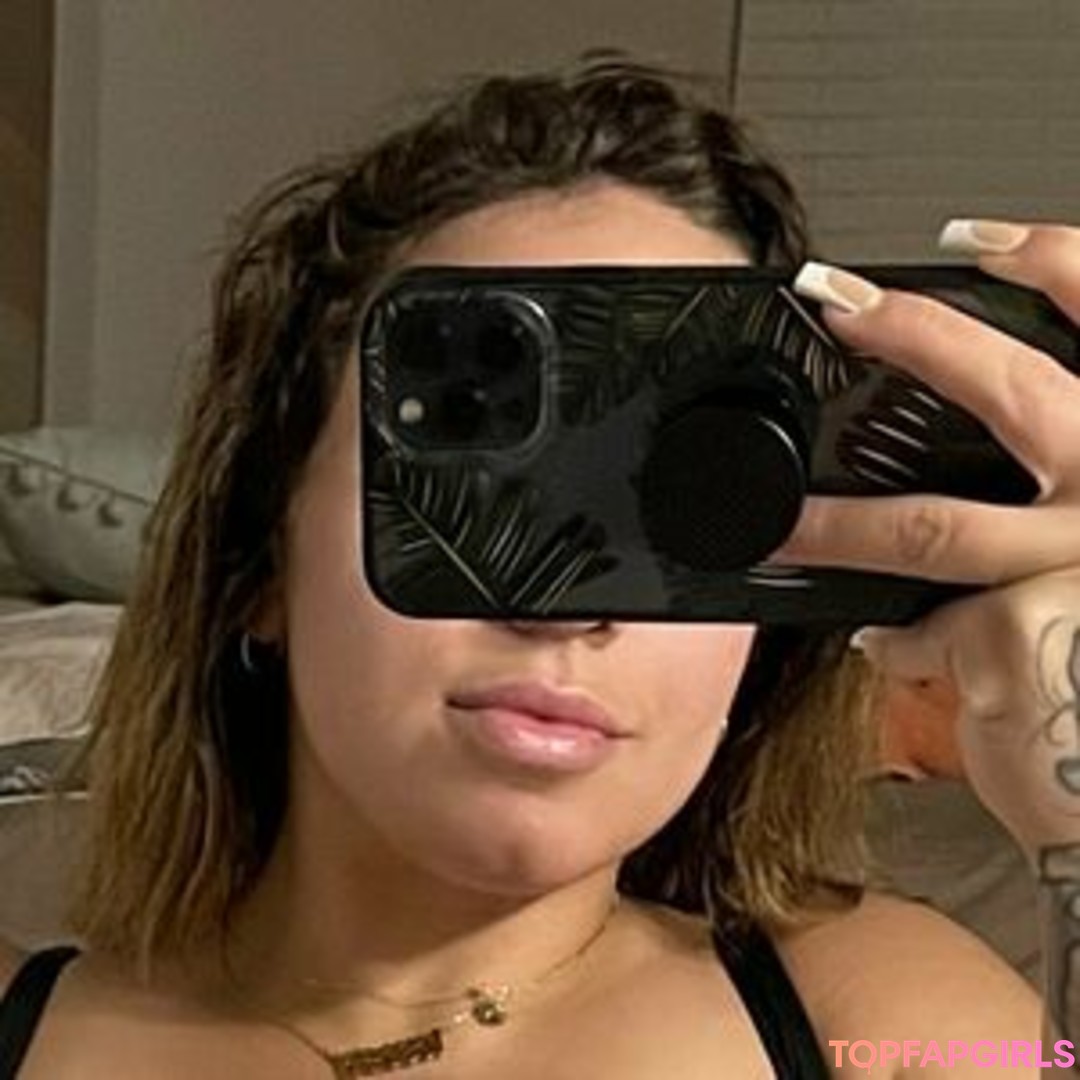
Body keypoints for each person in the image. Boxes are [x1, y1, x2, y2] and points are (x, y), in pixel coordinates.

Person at [1, 53, 1078, 1078]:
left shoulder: (888, 1022)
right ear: (259, 561)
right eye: (482, 475)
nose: (565, 608)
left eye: (686, 499)